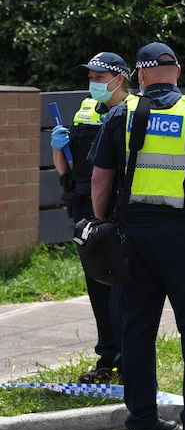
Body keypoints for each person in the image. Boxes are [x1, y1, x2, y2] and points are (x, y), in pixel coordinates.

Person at [89, 42, 185, 430]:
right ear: (177, 71)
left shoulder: (120, 114)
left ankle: (142, 421)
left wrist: (105, 221)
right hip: (183, 235)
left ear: (139, 75)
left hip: (133, 236)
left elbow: (100, 179)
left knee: (136, 329)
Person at [51, 52, 131, 385]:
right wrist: (57, 147)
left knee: (121, 290)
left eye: (99, 77)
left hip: (116, 211)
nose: (93, 83)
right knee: (97, 285)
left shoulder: (133, 112)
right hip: (86, 211)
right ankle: (108, 358)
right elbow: (65, 169)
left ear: (119, 79)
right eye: (90, 78)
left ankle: (129, 358)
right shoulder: (85, 110)